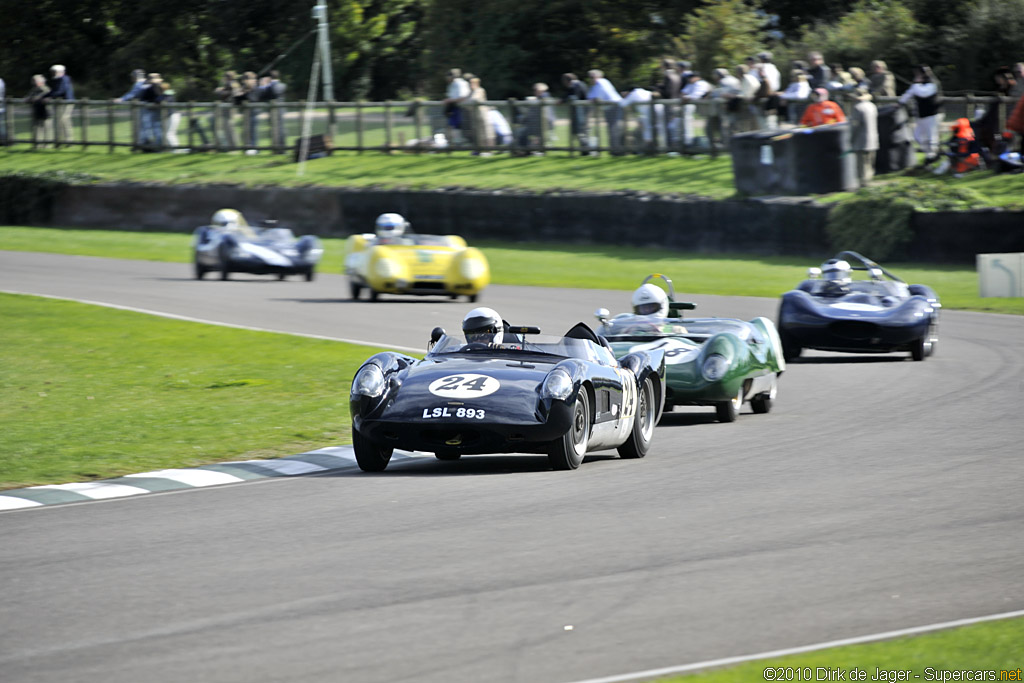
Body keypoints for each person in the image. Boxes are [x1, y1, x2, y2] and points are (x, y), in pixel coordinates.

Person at [898, 64, 944, 163]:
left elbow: (923, 93)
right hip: (921, 115)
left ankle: (933, 156)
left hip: (932, 114)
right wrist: (900, 103)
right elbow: (908, 94)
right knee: (917, 136)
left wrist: (915, 85)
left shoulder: (932, 84)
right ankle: (929, 154)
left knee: (931, 136)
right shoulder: (917, 85)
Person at [848, 87, 879, 184]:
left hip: (861, 140)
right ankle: (870, 182)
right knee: (870, 163)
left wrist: (851, 139)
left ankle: (864, 184)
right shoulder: (872, 106)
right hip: (873, 139)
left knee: (862, 165)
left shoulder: (857, 108)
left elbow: (855, 126)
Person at [587, 69, 623, 152]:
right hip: (610, 108)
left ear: (599, 76)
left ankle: (617, 150)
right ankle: (614, 149)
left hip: (614, 107)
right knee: (612, 129)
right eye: (590, 77)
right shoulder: (596, 85)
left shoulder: (601, 82)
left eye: (593, 77)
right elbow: (590, 98)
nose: (591, 79)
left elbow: (595, 98)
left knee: (614, 129)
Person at [561, 72, 591, 153]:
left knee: (581, 131)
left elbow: (573, 97)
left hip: (581, 112)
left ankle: (586, 151)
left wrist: (562, 100)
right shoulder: (580, 84)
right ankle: (584, 150)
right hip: (583, 111)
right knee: (582, 131)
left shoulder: (576, 85)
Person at [679, 71, 711, 146]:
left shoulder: (701, 83)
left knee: (709, 127)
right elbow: (683, 92)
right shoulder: (691, 84)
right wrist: (685, 97)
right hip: (698, 109)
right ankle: (689, 143)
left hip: (707, 108)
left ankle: (709, 145)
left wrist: (687, 97)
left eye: (691, 78)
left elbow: (697, 95)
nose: (690, 79)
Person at [47, 64, 75, 147]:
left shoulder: (64, 79)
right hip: (60, 102)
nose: (52, 74)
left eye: (54, 72)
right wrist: (44, 97)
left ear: (60, 72)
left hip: (67, 102)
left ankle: (69, 141)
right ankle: (60, 141)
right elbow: (53, 91)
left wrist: (49, 97)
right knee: (59, 121)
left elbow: (61, 91)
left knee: (64, 120)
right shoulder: (57, 79)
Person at [213, 70, 242, 148]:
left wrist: (219, 91)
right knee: (230, 126)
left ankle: (232, 145)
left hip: (227, 107)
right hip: (231, 107)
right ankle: (233, 144)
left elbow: (226, 94)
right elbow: (232, 92)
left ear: (227, 77)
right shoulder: (234, 83)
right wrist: (223, 89)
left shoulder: (229, 83)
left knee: (228, 126)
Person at [442, 68, 470, 145]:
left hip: (462, 108)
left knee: (459, 125)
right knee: (453, 126)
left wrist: (450, 101)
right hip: (454, 108)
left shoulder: (460, 83)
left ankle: (461, 142)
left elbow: (463, 97)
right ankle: (454, 143)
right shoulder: (451, 85)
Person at [138, 73, 165, 150]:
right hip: (152, 112)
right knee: (155, 129)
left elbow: (166, 97)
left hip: (157, 112)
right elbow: (144, 99)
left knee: (157, 129)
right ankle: (157, 147)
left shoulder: (161, 88)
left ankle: (158, 146)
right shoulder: (149, 88)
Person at [260, 70, 287, 150]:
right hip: (281, 110)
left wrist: (263, 85)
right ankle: (283, 146)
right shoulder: (283, 85)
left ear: (269, 78)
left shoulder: (269, 87)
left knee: (275, 129)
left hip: (273, 111)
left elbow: (263, 95)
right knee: (281, 128)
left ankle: (277, 147)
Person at [26, 75, 51, 147]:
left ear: (41, 82)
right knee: (36, 128)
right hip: (36, 111)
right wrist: (28, 99)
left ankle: (47, 145)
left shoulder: (46, 89)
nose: (33, 83)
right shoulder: (33, 90)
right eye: (33, 81)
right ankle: (37, 144)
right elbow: (28, 97)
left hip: (45, 111)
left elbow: (44, 97)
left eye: (35, 81)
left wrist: (34, 99)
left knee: (46, 128)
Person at [161, 78, 183, 151]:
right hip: (170, 116)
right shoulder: (166, 94)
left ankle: (176, 150)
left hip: (173, 116)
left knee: (169, 134)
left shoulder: (168, 95)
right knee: (168, 134)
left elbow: (165, 101)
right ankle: (171, 149)